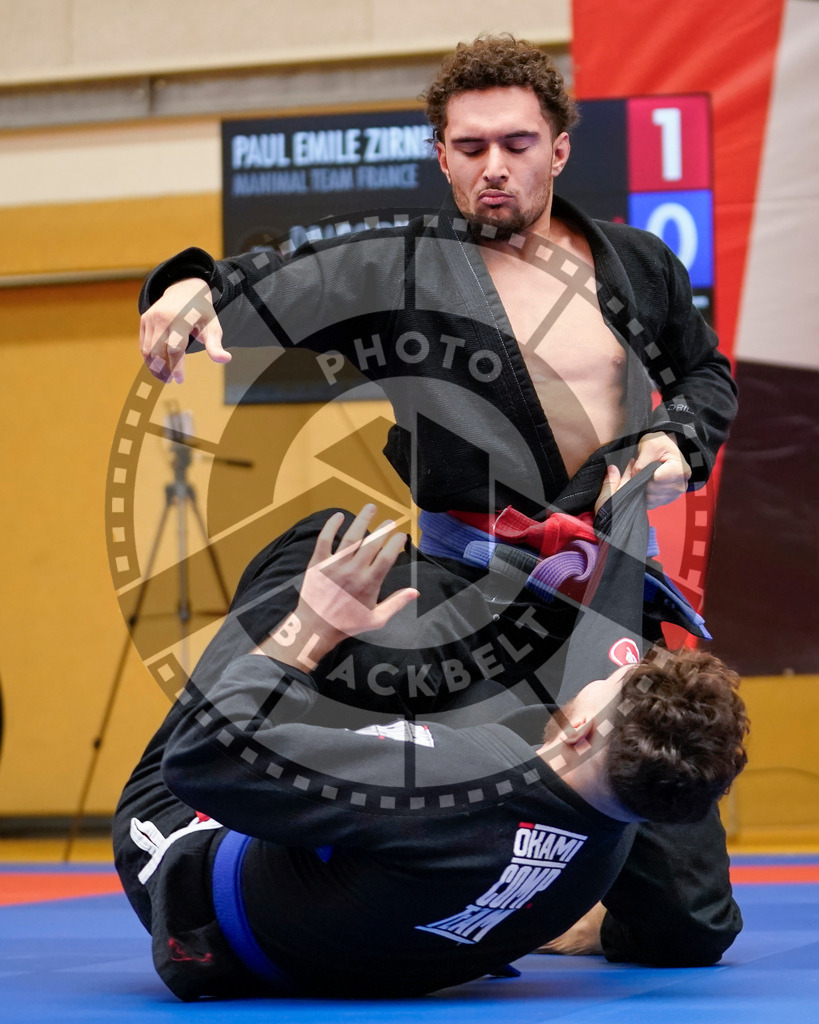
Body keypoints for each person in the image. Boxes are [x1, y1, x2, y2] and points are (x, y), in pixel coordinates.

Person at [113, 507, 748, 1001]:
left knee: (318, 543)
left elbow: (201, 761)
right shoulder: (609, 846)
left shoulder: (447, 778)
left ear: (580, 728)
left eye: (602, 683)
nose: (593, 677)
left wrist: (307, 631)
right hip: (364, 950)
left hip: (185, 877)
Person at [136, 34, 737, 518]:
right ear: (443, 156)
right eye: (472, 148)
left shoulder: (640, 262)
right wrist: (194, 288)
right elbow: (268, 283)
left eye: (518, 144)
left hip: (620, 564)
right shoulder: (390, 269)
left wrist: (675, 441)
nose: (494, 167)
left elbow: (704, 374)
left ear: (557, 152)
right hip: (468, 583)